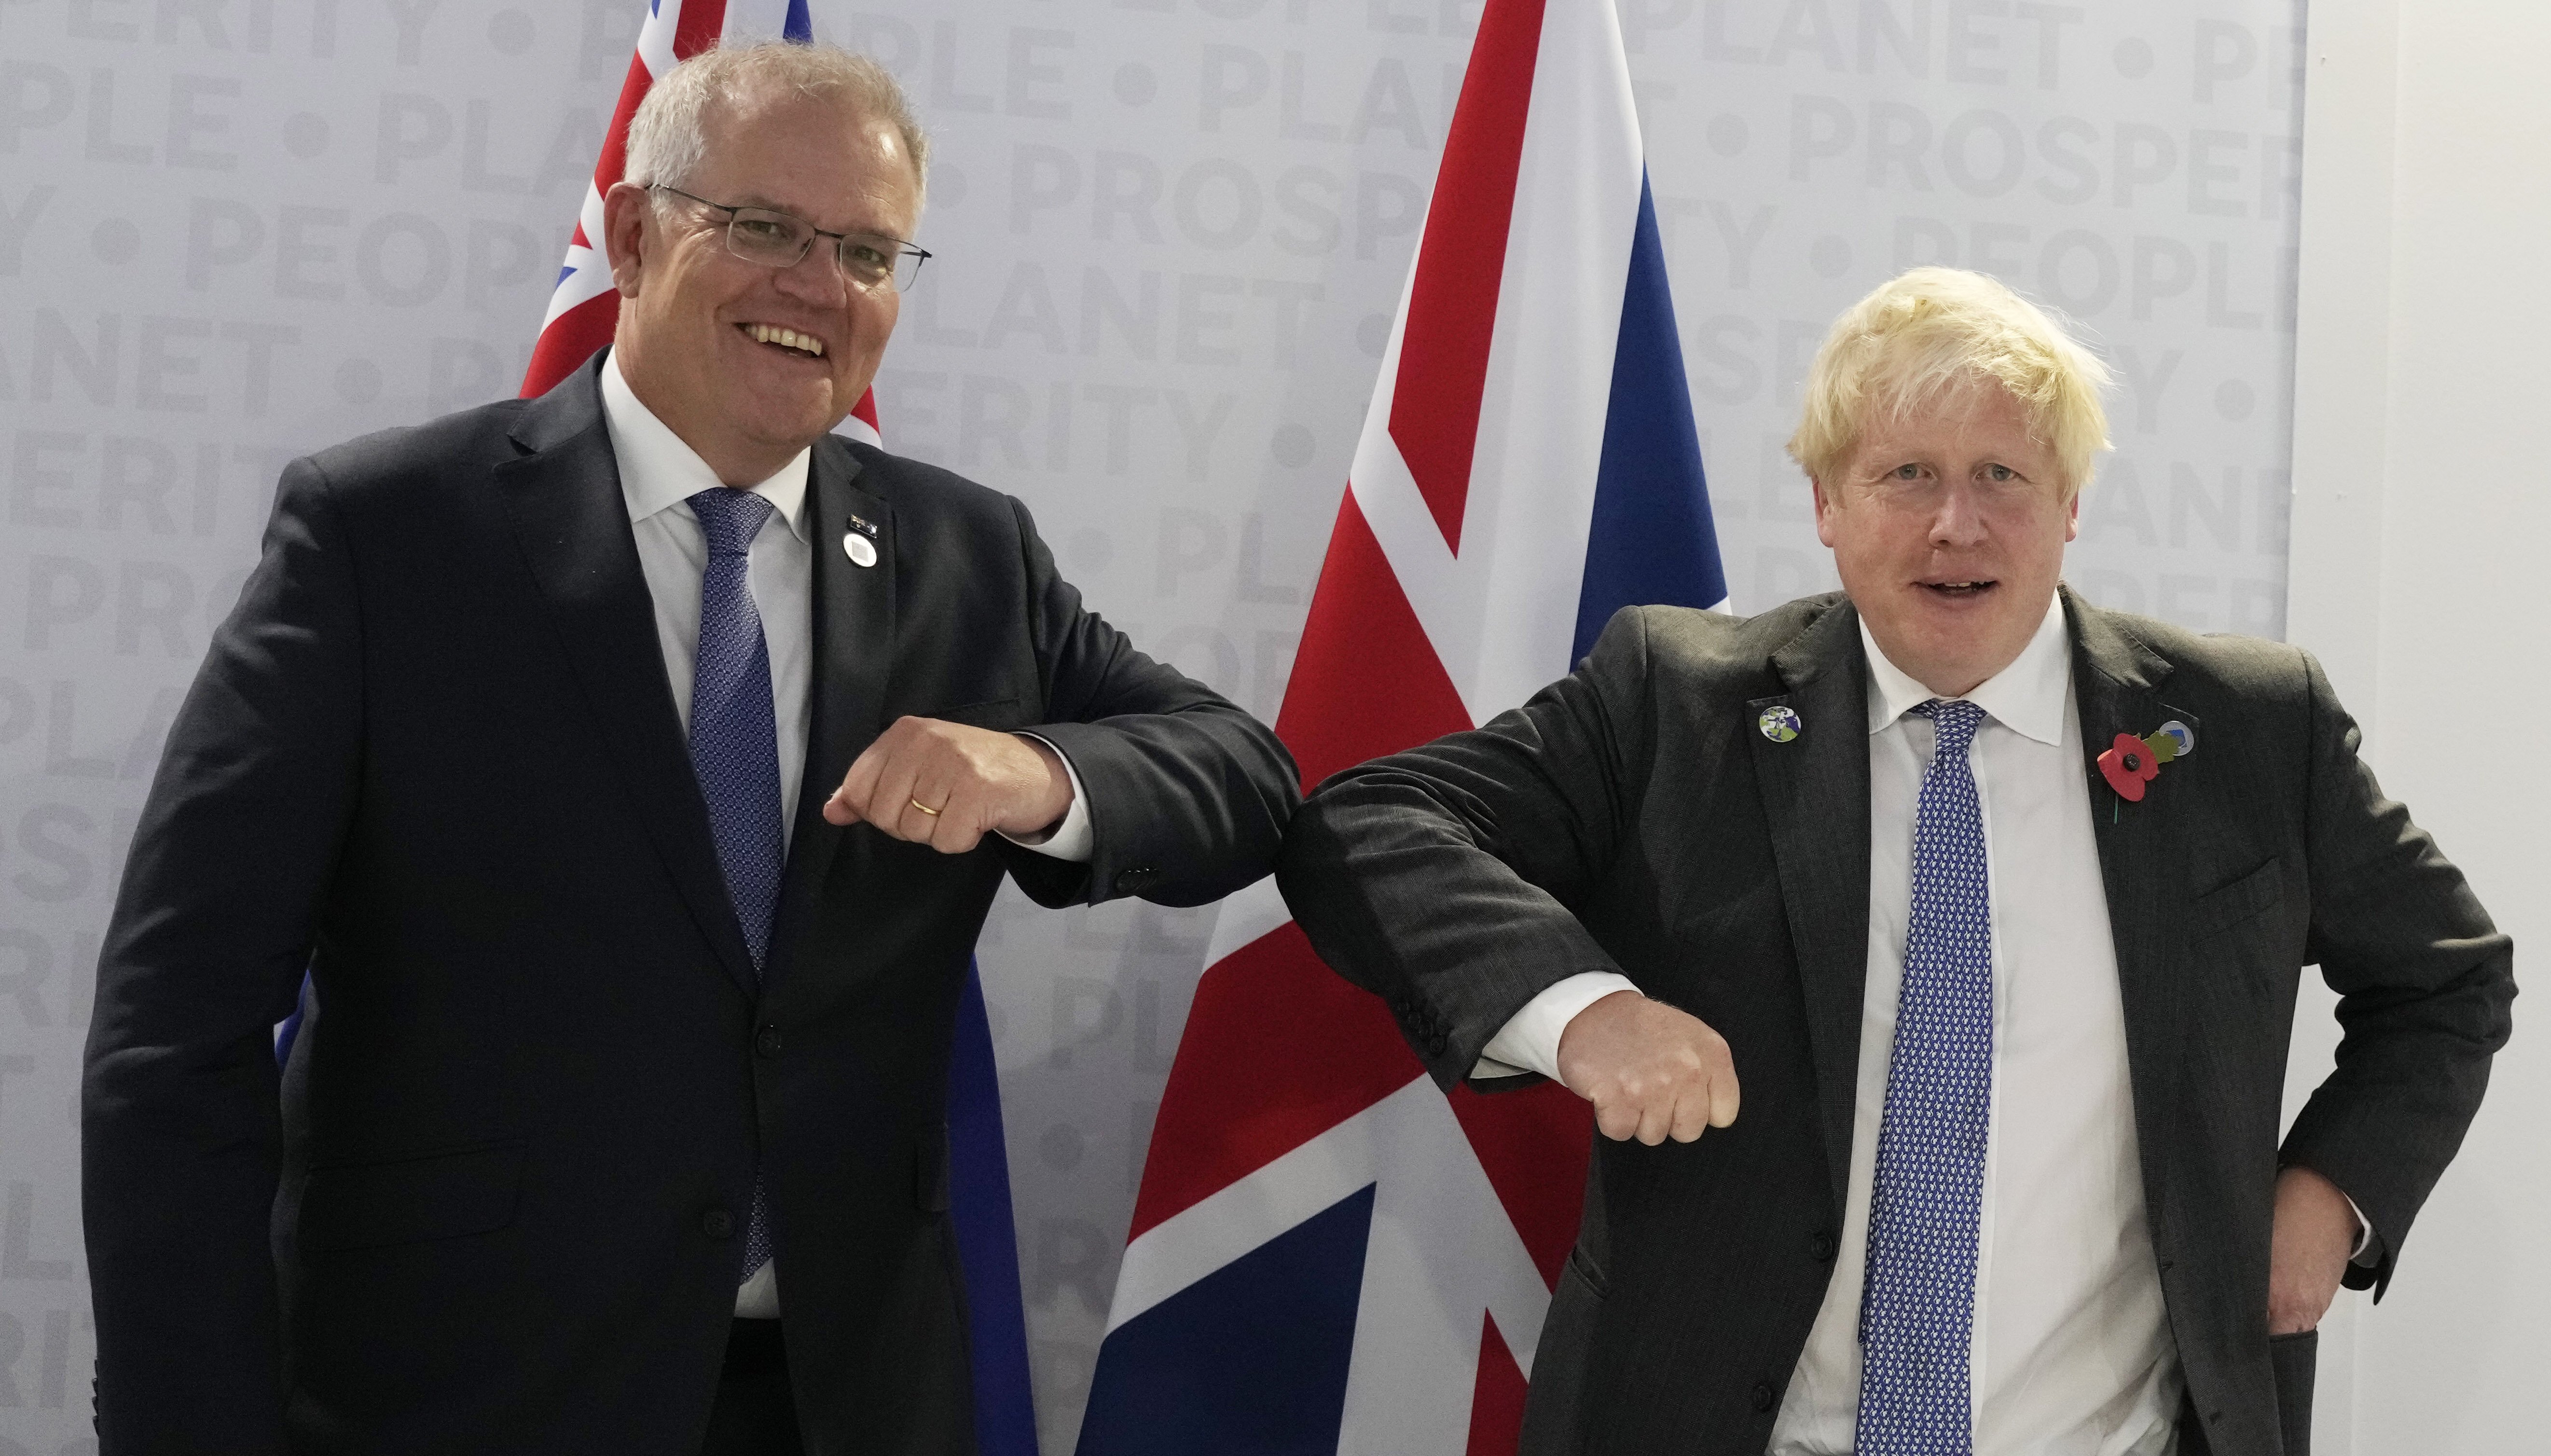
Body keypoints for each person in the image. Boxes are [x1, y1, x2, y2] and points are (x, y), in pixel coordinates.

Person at [81, 41, 1297, 1456]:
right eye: (765, 228)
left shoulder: (966, 554)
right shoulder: (387, 538)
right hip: (453, 1400)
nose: (816, 285)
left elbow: (1247, 776)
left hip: (845, 1404)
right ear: (634, 235)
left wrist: (1037, 777)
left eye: (867, 251)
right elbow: (176, 1033)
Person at [1276, 267, 2511, 1456]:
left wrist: (2331, 1196)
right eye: (1905, 474)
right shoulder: (1675, 701)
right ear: (1826, 503)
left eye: (2002, 475)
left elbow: (2448, 980)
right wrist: (1583, 1013)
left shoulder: (2246, 728)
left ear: (2071, 504)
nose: (1954, 524)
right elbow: (1367, 827)